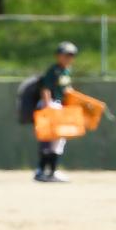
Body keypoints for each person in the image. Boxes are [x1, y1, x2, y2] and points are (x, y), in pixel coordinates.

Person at [29, 41, 79, 183]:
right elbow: (45, 88)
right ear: (58, 56)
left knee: (58, 140)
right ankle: (41, 171)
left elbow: (67, 91)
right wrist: (47, 107)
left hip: (60, 106)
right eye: (66, 55)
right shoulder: (54, 70)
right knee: (47, 140)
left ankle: (52, 172)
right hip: (50, 105)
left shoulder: (66, 71)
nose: (69, 58)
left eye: (71, 55)